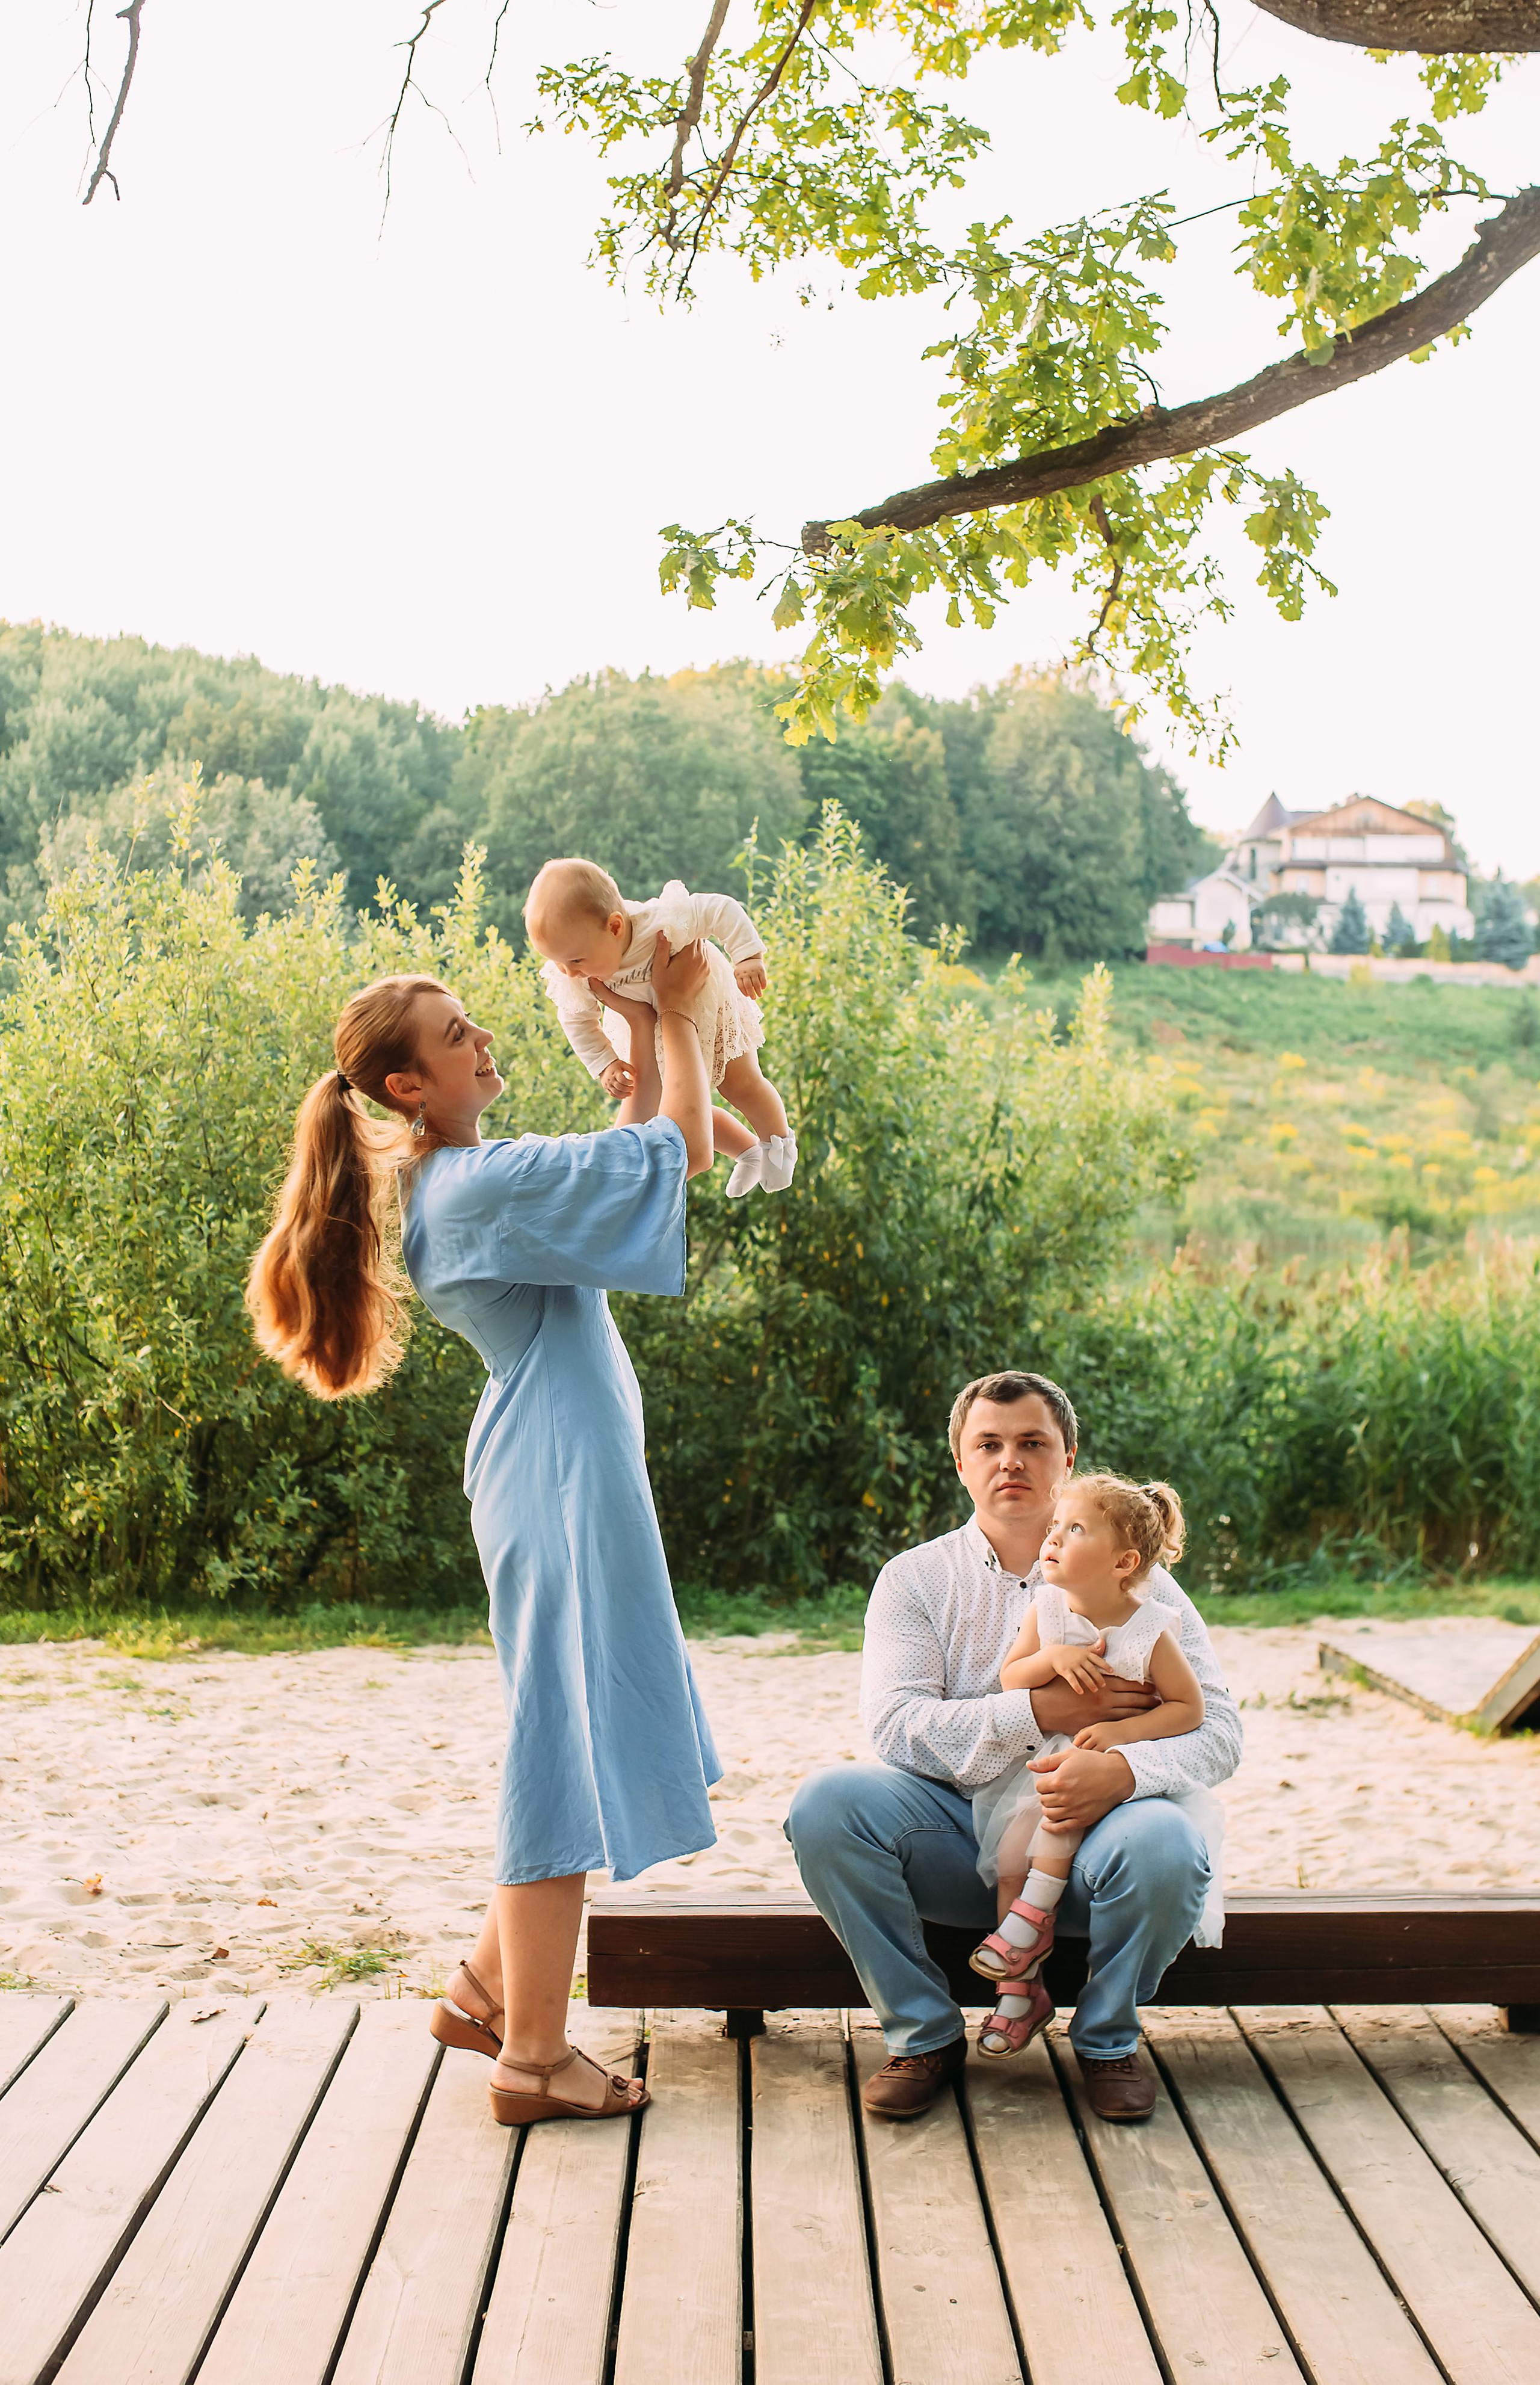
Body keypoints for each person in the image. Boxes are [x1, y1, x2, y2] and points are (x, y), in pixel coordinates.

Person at [245, 936, 721, 2127]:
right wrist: (668, 1014)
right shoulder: (484, 1182)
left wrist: (647, 1045)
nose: (486, 1039)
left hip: (550, 1464)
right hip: (556, 1472)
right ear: (407, 1083)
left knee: (568, 1721)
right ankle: (534, 2057)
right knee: (556, 1743)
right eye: (459, 1033)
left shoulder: (463, 1179)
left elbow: (635, 1150)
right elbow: (686, 1150)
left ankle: (481, 1990)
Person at [785, 1370, 1242, 2123]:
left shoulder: (1144, 1587)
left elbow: (1218, 1730)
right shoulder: (914, 1580)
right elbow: (897, 1727)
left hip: (1097, 1847)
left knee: (1167, 1840)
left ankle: (1106, 2041)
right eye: (988, 1445)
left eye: (1033, 1443)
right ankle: (923, 2034)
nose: (1011, 1461)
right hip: (959, 1835)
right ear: (960, 1463)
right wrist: (1039, 1709)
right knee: (826, 1804)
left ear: (1068, 1460)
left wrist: (1120, 1771)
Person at [969, 1472, 1222, 2058]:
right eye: (1055, 1527)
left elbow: (1190, 1708)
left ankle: (1028, 1927)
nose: (1051, 1537)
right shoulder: (1048, 1610)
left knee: (1056, 1828)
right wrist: (1052, 1656)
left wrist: (1119, 1735)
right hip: (1053, 1761)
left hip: (1114, 1775)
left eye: (1074, 1528)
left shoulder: (1150, 1629)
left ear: (1123, 1560)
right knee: (1011, 1854)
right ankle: (1019, 1987)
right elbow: (1011, 1678)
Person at [525, 856, 796, 1198]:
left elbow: (720, 909)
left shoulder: (661, 922)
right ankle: (748, 1153)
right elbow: (576, 1018)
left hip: (708, 1006)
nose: (569, 972)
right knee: (672, 1110)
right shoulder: (574, 968)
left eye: (576, 960)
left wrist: (747, 956)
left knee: (739, 1084)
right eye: (557, 962)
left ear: (614, 927)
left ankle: (777, 1142)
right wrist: (604, 1063)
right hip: (658, 1031)